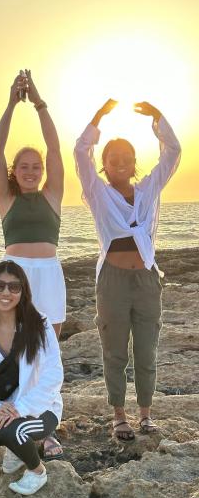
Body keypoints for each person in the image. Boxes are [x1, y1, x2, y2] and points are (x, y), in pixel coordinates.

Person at [74, 99, 181, 440]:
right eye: (112, 159)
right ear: (104, 165)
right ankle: (119, 414)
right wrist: (97, 118)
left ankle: (146, 414)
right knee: (115, 351)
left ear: (134, 163)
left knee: (147, 349)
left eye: (126, 158)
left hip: (147, 279)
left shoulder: (149, 189)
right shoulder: (97, 193)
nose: (120, 163)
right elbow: (80, 152)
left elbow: (173, 153)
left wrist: (158, 120)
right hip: (113, 282)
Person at [0, 69, 65, 460]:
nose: (32, 170)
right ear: (15, 173)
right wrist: (9, 104)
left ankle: (46, 427)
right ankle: (18, 423)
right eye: (25, 166)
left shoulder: (52, 195)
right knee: (16, 350)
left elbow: (54, 149)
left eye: (36, 166)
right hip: (14, 275)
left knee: (47, 351)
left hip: (49, 275)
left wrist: (38, 102)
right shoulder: (6, 198)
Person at [0, 261, 63, 495]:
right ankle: (16, 446)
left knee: (11, 430)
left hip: (41, 407)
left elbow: (53, 374)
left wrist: (20, 409)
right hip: (3, 406)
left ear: (23, 291)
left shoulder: (39, 325)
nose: (6, 292)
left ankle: (37, 471)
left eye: (14, 287)